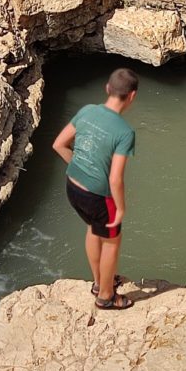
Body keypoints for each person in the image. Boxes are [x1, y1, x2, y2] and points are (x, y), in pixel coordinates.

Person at [52, 67, 138, 310]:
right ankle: (107, 296)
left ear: (107, 89)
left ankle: (99, 282)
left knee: (93, 228)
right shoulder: (124, 132)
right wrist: (120, 207)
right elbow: (115, 179)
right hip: (98, 195)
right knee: (112, 241)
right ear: (132, 96)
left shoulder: (87, 111)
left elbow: (59, 144)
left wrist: (81, 166)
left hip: (73, 187)